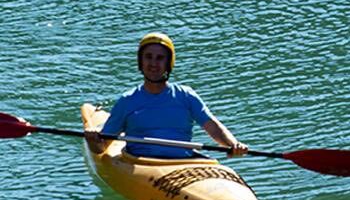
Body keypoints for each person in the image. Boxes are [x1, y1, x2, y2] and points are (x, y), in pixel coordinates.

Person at [86, 32, 248, 159]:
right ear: (141, 62)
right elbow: (101, 148)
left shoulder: (186, 96)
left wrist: (233, 144)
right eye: (148, 57)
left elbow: (213, 127)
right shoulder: (127, 101)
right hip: (140, 163)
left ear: (168, 63)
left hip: (182, 163)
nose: (153, 64)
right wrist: (92, 140)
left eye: (160, 58)